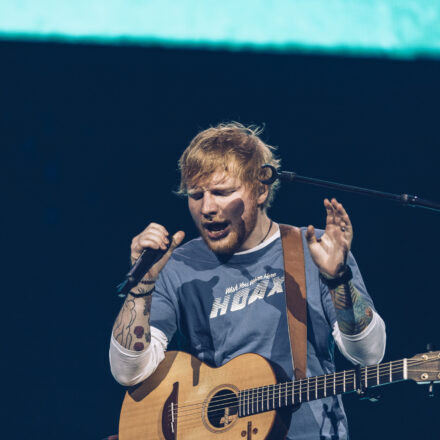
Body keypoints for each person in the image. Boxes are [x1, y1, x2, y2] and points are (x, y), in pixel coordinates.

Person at [110, 122, 386, 439]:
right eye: (196, 195)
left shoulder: (316, 251)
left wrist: (339, 281)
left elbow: (370, 354)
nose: (207, 208)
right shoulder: (179, 266)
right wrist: (142, 289)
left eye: (222, 192)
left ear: (260, 190)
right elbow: (128, 371)